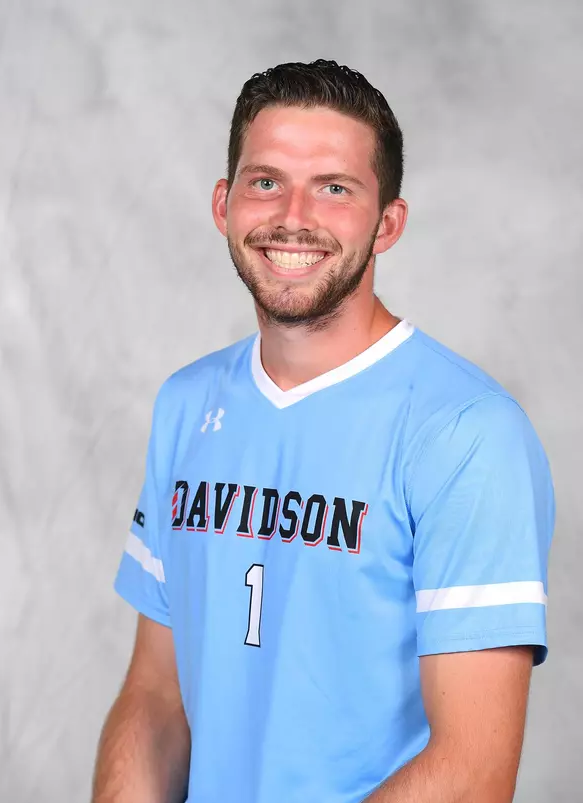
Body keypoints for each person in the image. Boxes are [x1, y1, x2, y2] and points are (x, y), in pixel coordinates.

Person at [91, 59, 555, 803]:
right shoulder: (186, 404)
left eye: (334, 188)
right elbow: (156, 701)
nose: (292, 215)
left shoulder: (466, 431)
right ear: (224, 202)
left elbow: (472, 770)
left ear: (388, 222)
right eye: (265, 180)